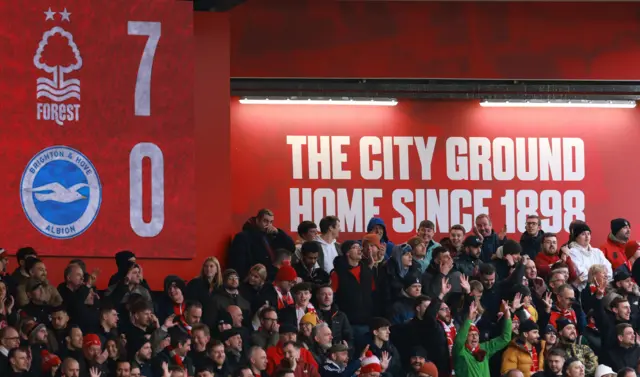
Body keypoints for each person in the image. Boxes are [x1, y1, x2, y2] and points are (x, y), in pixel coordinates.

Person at [453, 300, 512, 377]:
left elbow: (505, 339)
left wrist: (507, 315)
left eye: (476, 334)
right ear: (465, 338)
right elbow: (458, 341)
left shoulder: (485, 348)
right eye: (471, 335)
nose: (474, 337)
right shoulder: (460, 352)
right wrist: (469, 319)